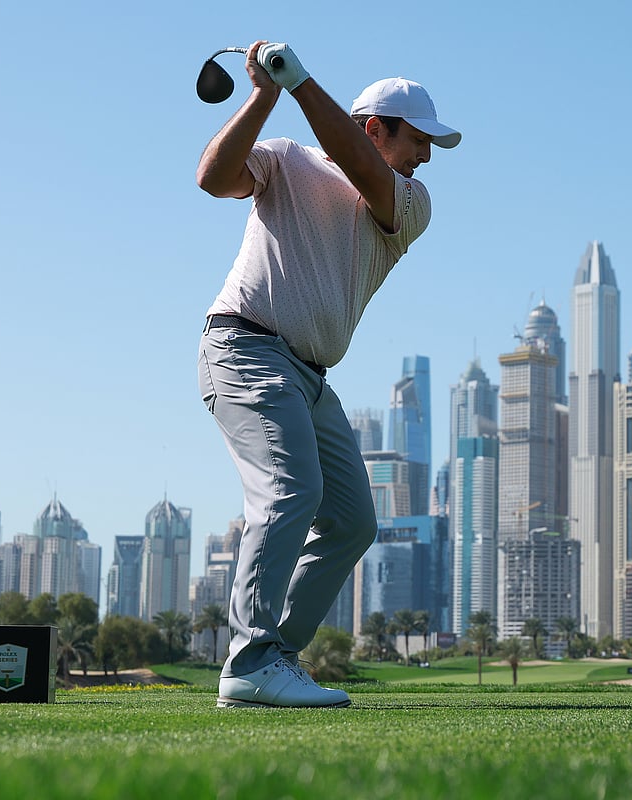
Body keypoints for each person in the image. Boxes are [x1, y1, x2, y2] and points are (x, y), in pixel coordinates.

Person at [196, 41, 460, 708]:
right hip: (245, 350)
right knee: (290, 491)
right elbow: (213, 178)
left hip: (308, 377)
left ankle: (273, 655)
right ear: (377, 127)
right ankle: (250, 661)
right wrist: (263, 94)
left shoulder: (409, 201)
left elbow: (366, 174)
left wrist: (301, 81)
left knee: (350, 521)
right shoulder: (285, 159)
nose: (426, 156)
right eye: (419, 139)